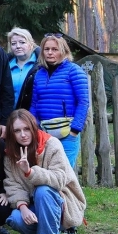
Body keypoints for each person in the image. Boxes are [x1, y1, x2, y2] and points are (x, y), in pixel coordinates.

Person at [3, 108, 86, 234]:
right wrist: (23, 207)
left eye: (27, 128)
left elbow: (60, 179)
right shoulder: (10, 154)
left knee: (43, 190)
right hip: (35, 206)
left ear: (33, 127)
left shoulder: (51, 144)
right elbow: (12, 184)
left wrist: (30, 172)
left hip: (61, 203)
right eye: (17, 130)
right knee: (15, 218)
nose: (23, 134)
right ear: (12, 133)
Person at [28, 34, 89, 171]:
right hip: (44, 133)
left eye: (55, 49)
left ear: (64, 51)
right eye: (46, 49)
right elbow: (34, 104)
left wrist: (74, 130)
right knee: (47, 171)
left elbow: (83, 101)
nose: (50, 52)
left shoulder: (74, 71)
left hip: (67, 133)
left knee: (64, 173)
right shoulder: (39, 74)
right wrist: (34, 127)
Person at [7, 28, 39, 110]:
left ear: (31, 44)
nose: (18, 46)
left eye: (22, 42)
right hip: (11, 116)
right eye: (13, 43)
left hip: (34, 114)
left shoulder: (41, 65)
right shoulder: (5, 66)